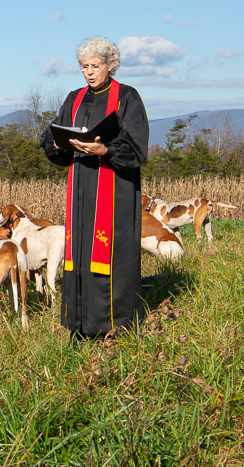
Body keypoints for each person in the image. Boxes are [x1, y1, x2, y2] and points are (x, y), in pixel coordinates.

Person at [40, 37, 150, 339]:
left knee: (112, 254)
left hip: (114, 190)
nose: (89, 72)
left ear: (111, 65)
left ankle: (116, 327)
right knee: (80, 253)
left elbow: (137, 148)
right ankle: (80, 326)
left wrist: (106, 152)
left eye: (95, 66)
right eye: (84, 66)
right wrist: (60, 143)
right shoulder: (74, 98)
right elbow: (52, 138)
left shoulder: (127, 97)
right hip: (79, 188)